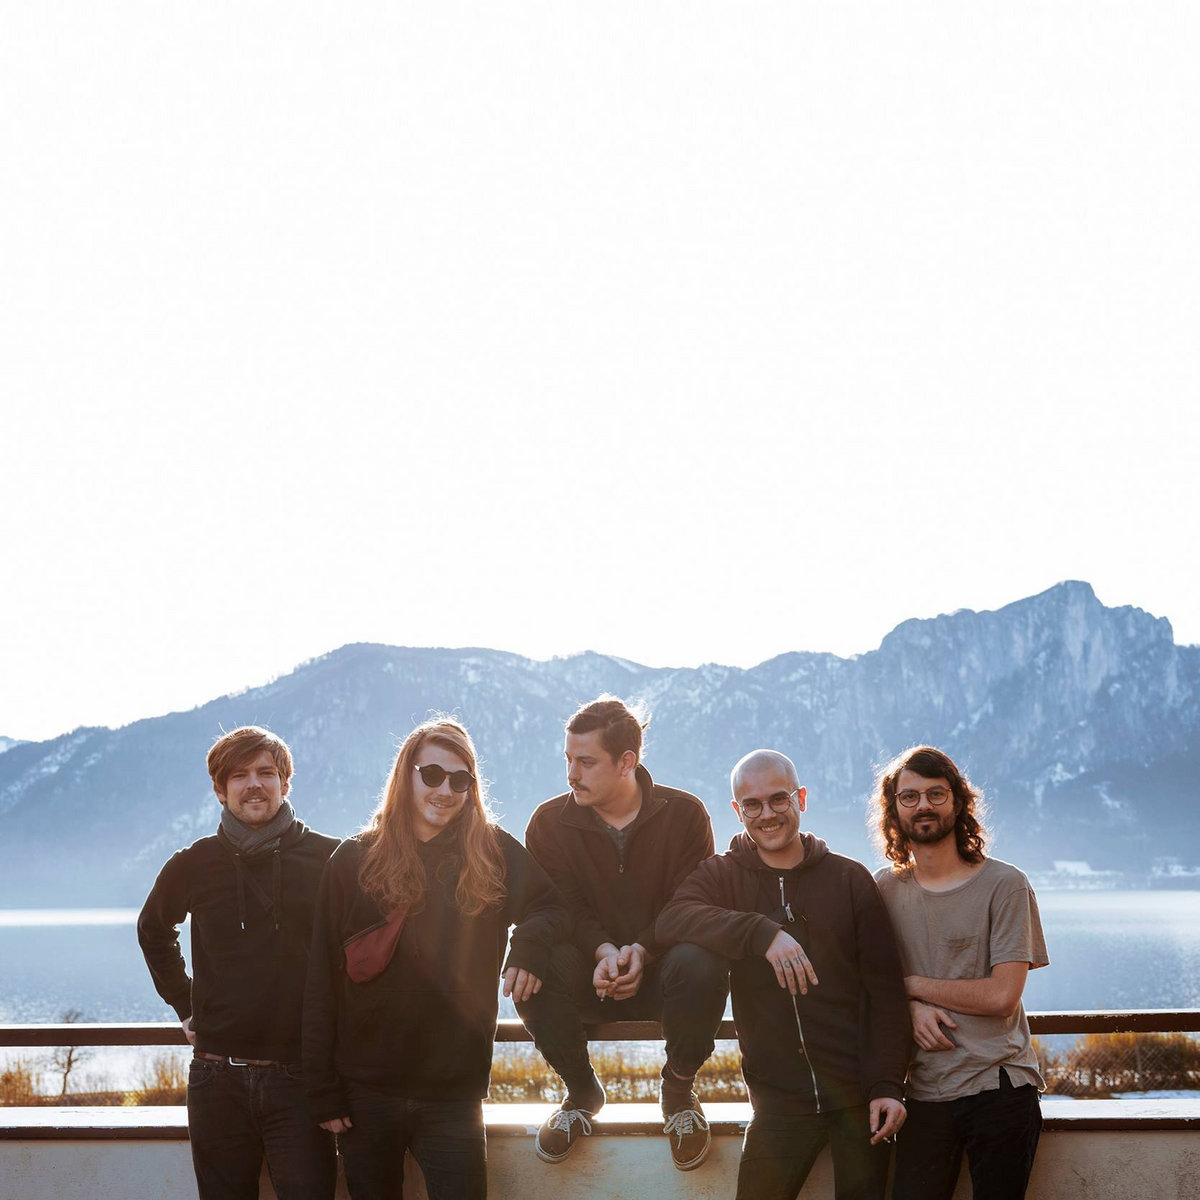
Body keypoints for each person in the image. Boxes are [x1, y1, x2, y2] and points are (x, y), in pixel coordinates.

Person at [303, 717, 564, 1200]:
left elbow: (549, 906)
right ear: (406, 775)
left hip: (454, 1091)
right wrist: (322, 1087)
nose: (445, 790)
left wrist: (528, 948)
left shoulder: (493, 852)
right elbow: (321, 977)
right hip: (365, 1092)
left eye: (460, 780)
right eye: (432, 775)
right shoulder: (353, 860)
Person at [656, 748, 910, 1200]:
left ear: (801, 799)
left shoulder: (849, 879)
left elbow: (885, 993)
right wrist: (760, 932)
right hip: (779, 1102)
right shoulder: (721, 876)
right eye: (752, 805)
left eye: (779, 799)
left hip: (859, 1096)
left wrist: (888, 1085)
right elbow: (672, 920)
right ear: (737, 811)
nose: (767, 814)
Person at [517, 695, 729, 1171]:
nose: (571, 774)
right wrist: (604, 951)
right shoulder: (548, 823)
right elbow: (562, 906)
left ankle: (678, 1095)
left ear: (626, 762)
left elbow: (689, 903)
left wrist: (642, 950)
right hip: (587, 971)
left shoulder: (685, 814)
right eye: (568, 759)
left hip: (668, 975)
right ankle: (581, 1094)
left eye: (586, 762)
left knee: (703, 959)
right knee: (534, 968)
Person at [138, 725, 339, 1200]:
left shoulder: (330, 859)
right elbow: (153, 930)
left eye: (266, 773)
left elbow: (365, 948)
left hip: (300, 1078)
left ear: (285, 783)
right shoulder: (194, 863)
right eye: (239, 775)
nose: (254, 784)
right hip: (216, 1079)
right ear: (220, 790)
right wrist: (186, 1004)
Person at [873, 745, 1049, 1200]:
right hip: (923, 1092)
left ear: (959, 801)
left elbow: (1002, 997)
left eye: (937, 793)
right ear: (893, 809)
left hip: (999, 1087)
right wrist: (910, 1006)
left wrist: (912, 986)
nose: (924, 805)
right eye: (909, 796)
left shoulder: (1005, 885)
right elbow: (868, 982)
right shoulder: (884, 889)